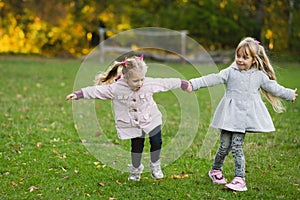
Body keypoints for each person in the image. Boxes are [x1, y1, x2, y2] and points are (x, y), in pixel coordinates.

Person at [185, 37, 298, 191]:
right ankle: (215, 170)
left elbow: (273, 87)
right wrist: (194, 84)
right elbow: (214, 78)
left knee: (237, 146)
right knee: (224, 146)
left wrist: (289, 94)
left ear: (254, 59)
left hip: (242, 119)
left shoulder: (259, 76)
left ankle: (239, 179)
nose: (240, 60)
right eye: (238, 56)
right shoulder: (230, 72)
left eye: (245, 57)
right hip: (228, 116)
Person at [66, 55, 189, 181]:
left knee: (157, 142)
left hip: (151, 118)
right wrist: (78, 94)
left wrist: (183, 83)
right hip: (133, 124)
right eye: (136, 81)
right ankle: (135, 170)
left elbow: (165, 83)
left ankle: (155, 165)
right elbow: (98, 91)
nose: (140, 83)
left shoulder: (148, 83)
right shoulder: (116, 88)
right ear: (126, 78)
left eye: (142, 79)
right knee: (137, 146)